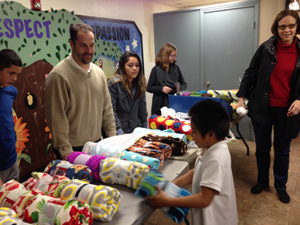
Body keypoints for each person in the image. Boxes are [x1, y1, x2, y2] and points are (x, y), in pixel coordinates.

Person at [237, 9, 300, 204]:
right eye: (282, 27)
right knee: (262, 149)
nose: (287, 30)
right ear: (276, 28)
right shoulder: (266, 48)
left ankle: (280, 186)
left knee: (282, 151)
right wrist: (241, 97)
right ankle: (262, 181)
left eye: (291, 26)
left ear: (297, 27)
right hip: (262, 107)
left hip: (288, 111)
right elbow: (250, 72)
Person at [146, 99, 238, 225]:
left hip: (216, 220)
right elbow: (198, 171)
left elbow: (204, 199)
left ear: (210, 134)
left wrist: (168, 201)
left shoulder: (216, 158)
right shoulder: (209, 147)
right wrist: (173, 185)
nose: (191, 135)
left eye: (194, 132)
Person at [45, 23, 116, 160]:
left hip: (97, 145)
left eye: (92, 45)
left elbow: (107, 110)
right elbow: (56, 119)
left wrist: (112, 142)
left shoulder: (98, 73)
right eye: (83, 45)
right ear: (72, 44)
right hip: (73, 150)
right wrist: (67, 155)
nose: (89, 50)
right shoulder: (59, 75)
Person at [107, 51, 147, 135]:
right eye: (130, 65)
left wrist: (145, 131)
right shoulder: (114, 83)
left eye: (137, 65)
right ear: (123, 67)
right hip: (118, 131)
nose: (134, 68)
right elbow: (111, 112)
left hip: (135, 130)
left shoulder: (140, 83)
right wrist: (120, 132)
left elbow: (142, 111)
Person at [0, 49, 22, 183]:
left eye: (17, 74)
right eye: (11, 73)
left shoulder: (11, 91)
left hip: (11, 160)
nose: (14, 79)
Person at [147, 43, 187, 115]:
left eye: (175, 55)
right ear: (165, 55)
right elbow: (149, 88)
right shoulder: (156, 69)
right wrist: (161, 88)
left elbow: (184, 83)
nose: (175, 58)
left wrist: (179, 89)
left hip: (174, 103)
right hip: (159, 104)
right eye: (172, 55)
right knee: (160, 125)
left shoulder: (176, 68)